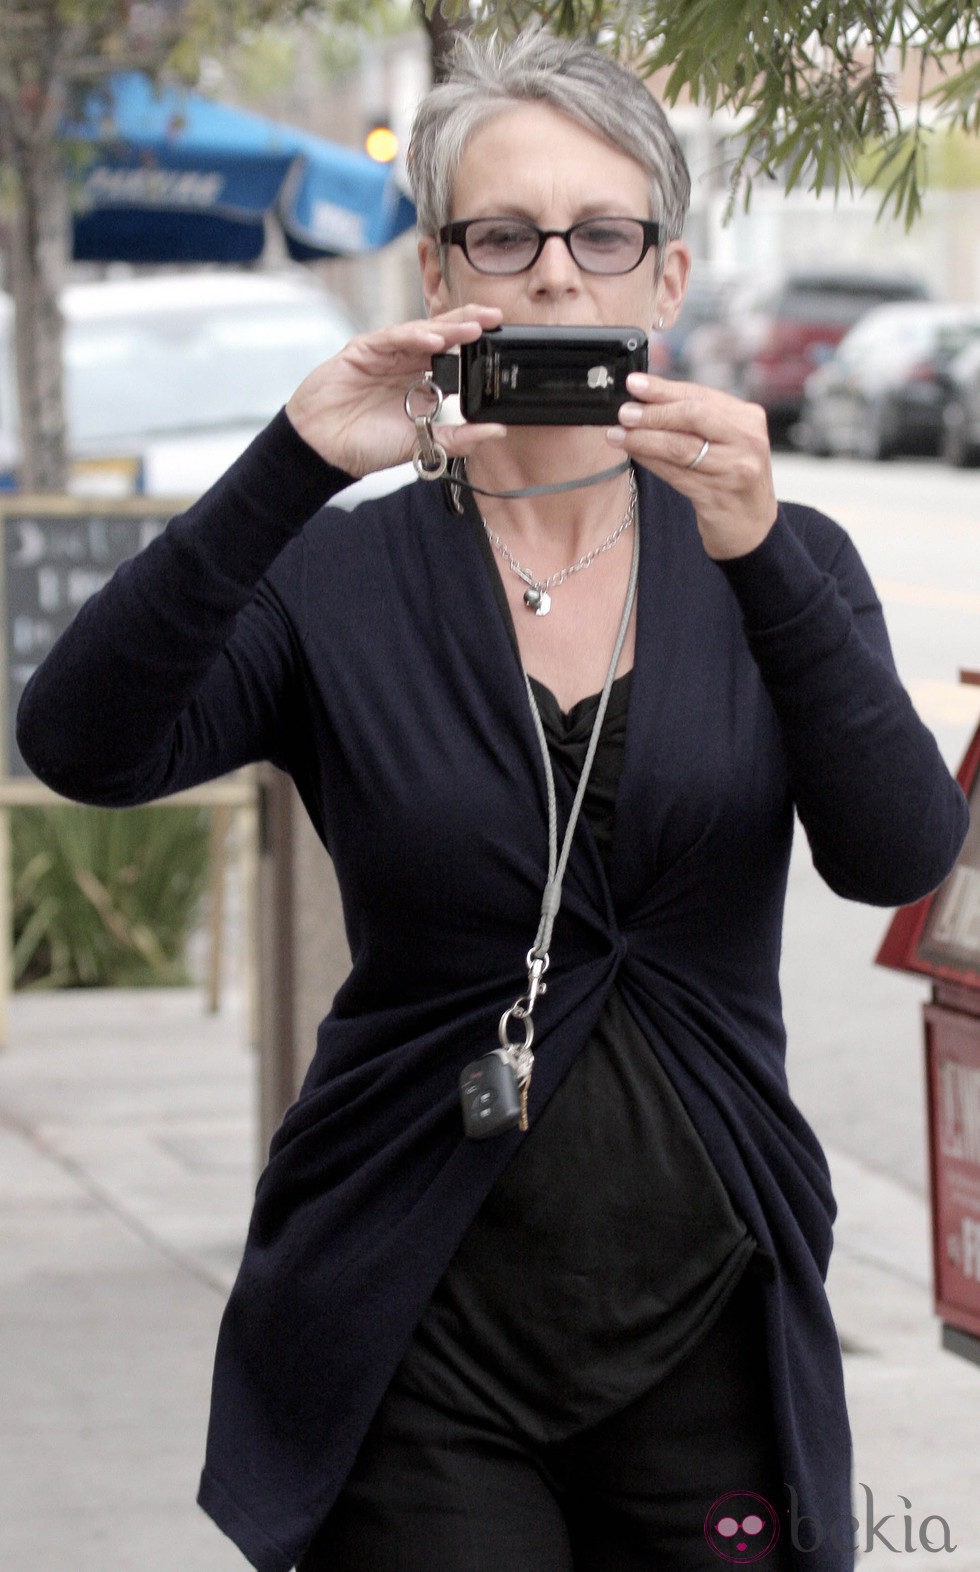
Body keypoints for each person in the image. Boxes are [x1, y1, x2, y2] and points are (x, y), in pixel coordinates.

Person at [17, 28, 967, 1572]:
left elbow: (900, 855)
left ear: (665, 277)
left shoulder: (779, 566)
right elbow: (81, 744)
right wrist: (293, 465)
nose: (553, 278)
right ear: (436, 268)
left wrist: (762, 549)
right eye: (502, 235)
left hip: (710, 1317)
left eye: (603, 236)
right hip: (413, 1327)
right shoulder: (341, 573)